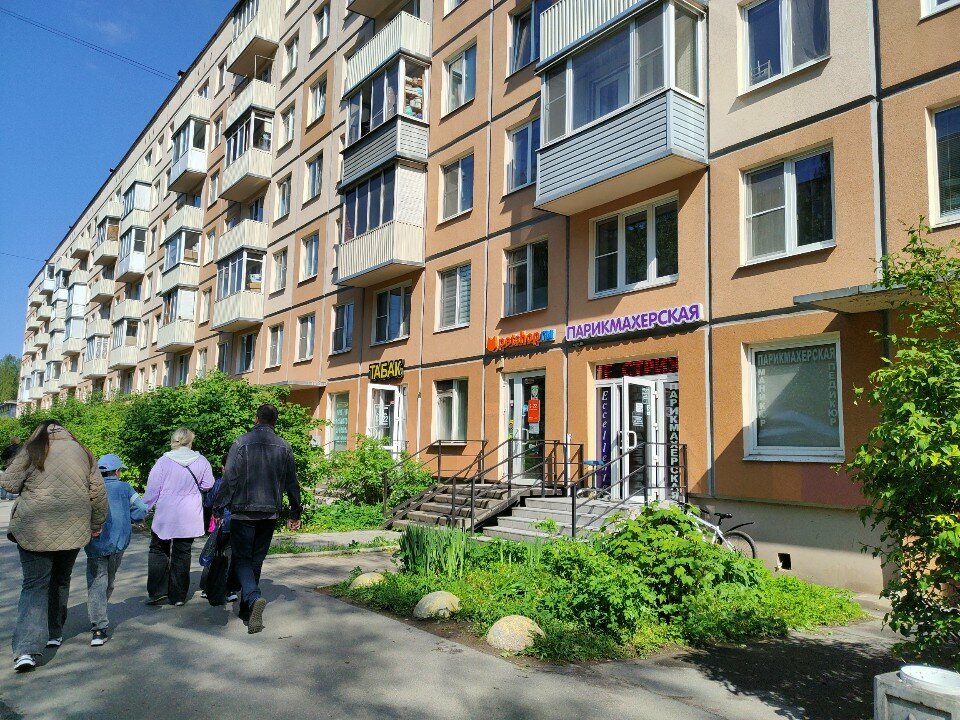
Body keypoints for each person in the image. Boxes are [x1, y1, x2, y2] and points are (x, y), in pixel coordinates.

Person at [0, 421, 107, 673]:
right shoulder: (83, 451)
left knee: (34, 585)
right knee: (60, 580)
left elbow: (9, 484)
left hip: (33, 528)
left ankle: (26, 650)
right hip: (73, 527)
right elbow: (98, 493)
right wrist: (96, 523)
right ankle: (54, 633)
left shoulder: (32, 449)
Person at [214, 404, 301, 634]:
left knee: (242, 558)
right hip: (270, 512)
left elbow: (229, 478)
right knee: (256, 560)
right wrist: (295, 512)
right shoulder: (284, 446)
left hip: (243, 510)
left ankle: (253, 597)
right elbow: (292, 482)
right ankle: (247, 611)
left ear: (256, 419)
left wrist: (218, 506)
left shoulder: (241, 443)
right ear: (274, 421)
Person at [142, 428, 214, 606]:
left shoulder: (163, 461)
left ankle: (157, 592)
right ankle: (178, 596)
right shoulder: (201, 461)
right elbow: (208, 484)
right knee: (182, 552)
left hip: (166, 513)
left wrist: (142, 511)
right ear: (190, 441)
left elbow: (152, 490)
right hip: (189, 514)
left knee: (158, 550)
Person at [84, 454, 148, 647]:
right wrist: (132, 517)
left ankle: (98, 626)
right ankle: (99, 616)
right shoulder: (125, 488)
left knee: (97, 582)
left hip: (95, 542)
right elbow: (142, 508)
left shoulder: (90, 488)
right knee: (109, 580)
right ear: (118, 471)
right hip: (118, 542)